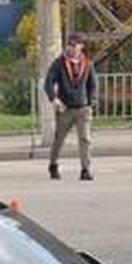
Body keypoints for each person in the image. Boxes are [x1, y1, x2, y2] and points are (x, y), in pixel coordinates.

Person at [44, 33, 97, 181]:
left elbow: (93, 84)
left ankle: (85, 169)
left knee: (85, 139)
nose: (71, 48)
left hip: (83, 108)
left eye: (74, 45)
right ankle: (53, 164)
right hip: (65, 108)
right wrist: (54, 99)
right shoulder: (59, 63)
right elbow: (48, 82)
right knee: (59, 139)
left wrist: (92, 101)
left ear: (81, 46)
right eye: (69, 45)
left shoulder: (87, 63)